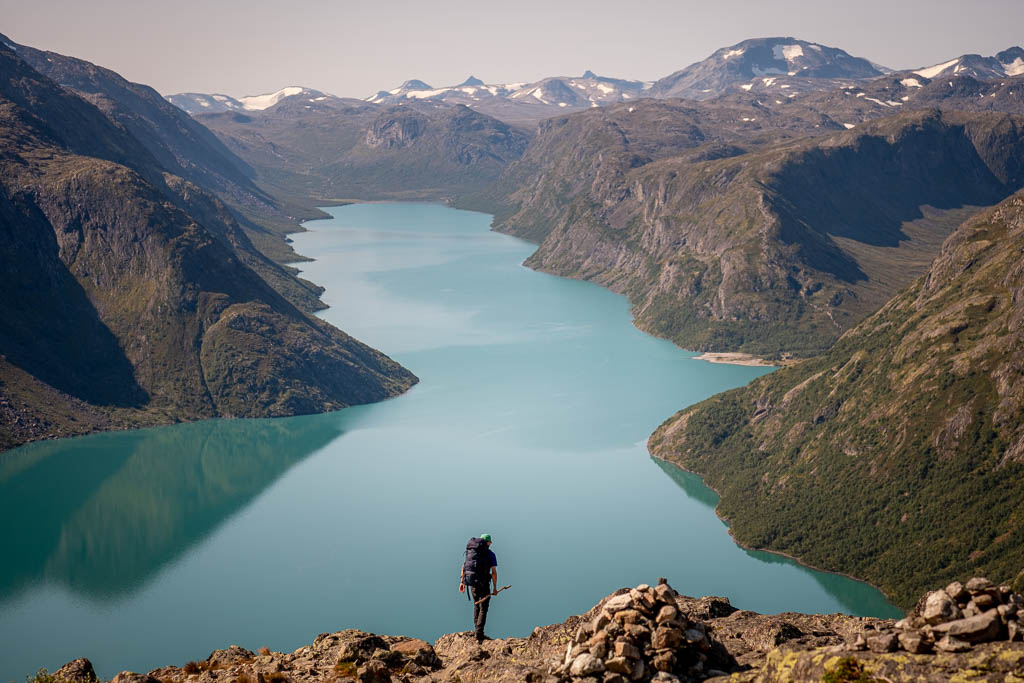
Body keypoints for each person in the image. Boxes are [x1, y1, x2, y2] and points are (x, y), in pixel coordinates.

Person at [459, 533, 498, 643]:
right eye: (490, 542)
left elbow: (464, 566)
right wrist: (495, 588)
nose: (490, 544)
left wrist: (462, 582)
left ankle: (477, 630)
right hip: (483, 583)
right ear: (488, 543)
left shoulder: (471, 552)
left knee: (476, 605)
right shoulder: (490, 554)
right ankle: (479, 634)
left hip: (472, 582)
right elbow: (494, 573)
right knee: (483, 608)